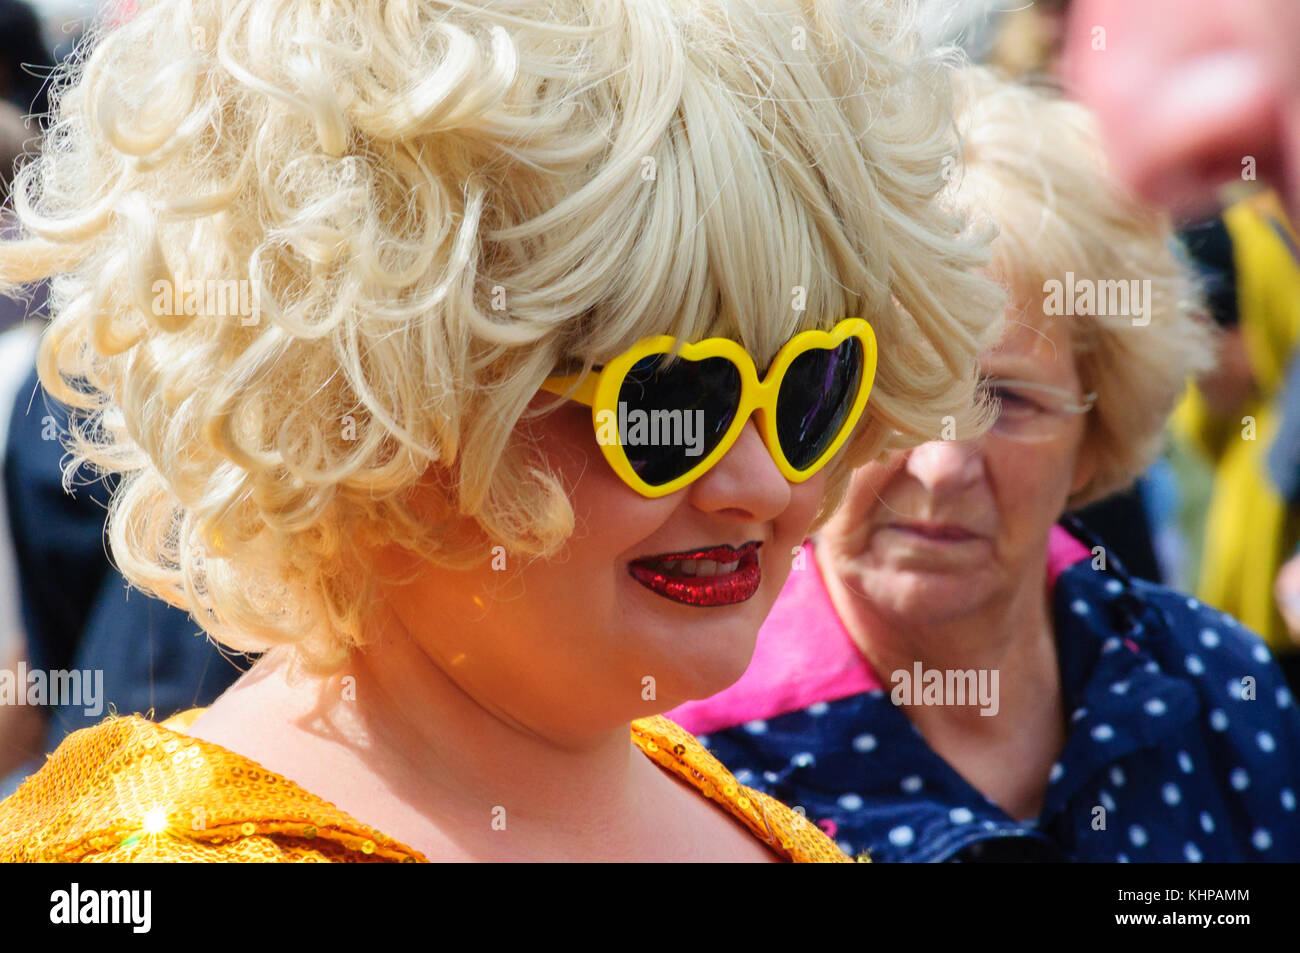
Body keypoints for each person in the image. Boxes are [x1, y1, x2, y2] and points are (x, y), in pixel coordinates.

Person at [0, 0, 1003, 862]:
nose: (761, 483)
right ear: (379, 391)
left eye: (811, 392)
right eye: (669, 402)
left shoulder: (727, 801)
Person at [666, 67, 1300, 862]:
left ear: (1094, 435)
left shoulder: (1215, 686)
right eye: (891, 395)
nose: (938, 468)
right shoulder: (688, 751)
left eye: (1007, 402)